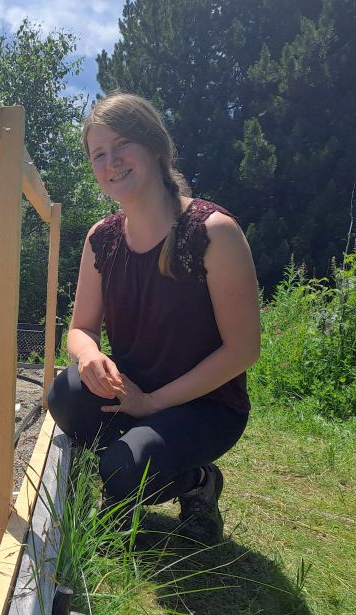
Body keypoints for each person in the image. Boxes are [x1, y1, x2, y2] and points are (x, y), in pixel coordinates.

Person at [47, 93, 260, 545]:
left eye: (122, 144)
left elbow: (243, 349)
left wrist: (153, 403)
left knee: (124, 468)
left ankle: (197, 482)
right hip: (134, 390)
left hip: (206, 405)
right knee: (65, 394)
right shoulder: (101, 239)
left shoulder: (212, 232)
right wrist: (89, 357)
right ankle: (133, 468)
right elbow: (81, 329)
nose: (111, 162)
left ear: (155, 146)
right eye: (98, 154)